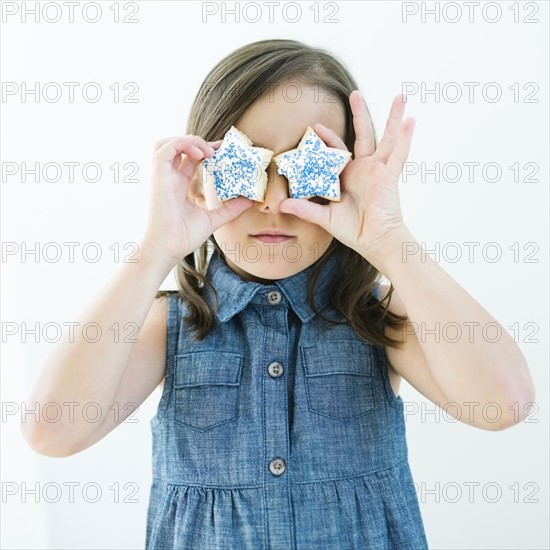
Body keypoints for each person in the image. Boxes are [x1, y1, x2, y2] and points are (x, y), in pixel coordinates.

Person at [21, 39, 535, 549]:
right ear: (201, 179)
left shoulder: (374, 313)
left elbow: (503, 404)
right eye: (242, 167)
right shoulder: (171, 324)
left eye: (308, 169)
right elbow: (51, 431)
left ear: (345, 180)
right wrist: (155, 249)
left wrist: (390, 238)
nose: (273, 199)